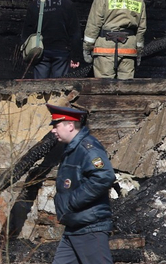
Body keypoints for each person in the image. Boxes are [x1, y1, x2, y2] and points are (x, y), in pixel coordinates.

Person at [47, 104, 116, 264]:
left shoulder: (87, 149)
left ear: (70, 126)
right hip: (75, 226)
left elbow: (104, 176)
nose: (53, 130)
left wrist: (72, 202)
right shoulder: (71, 149)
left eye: (56, 125)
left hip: (90, 227)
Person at [83, 0, 147, 79]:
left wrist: (87, 48)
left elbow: (94, 24)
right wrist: (138, 51)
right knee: (125, 90)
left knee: (104, 89)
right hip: (128, 49)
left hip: (105, 50)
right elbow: (141, 28)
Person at [22, 0, 81, 78]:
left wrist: (25, 52)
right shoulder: (68, 4)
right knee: (59, 87)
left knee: (39, 86)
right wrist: (75, 56)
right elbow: (75, 33)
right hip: (61, 51)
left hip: (40, 50)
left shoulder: (35, 4)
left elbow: (27, 30)